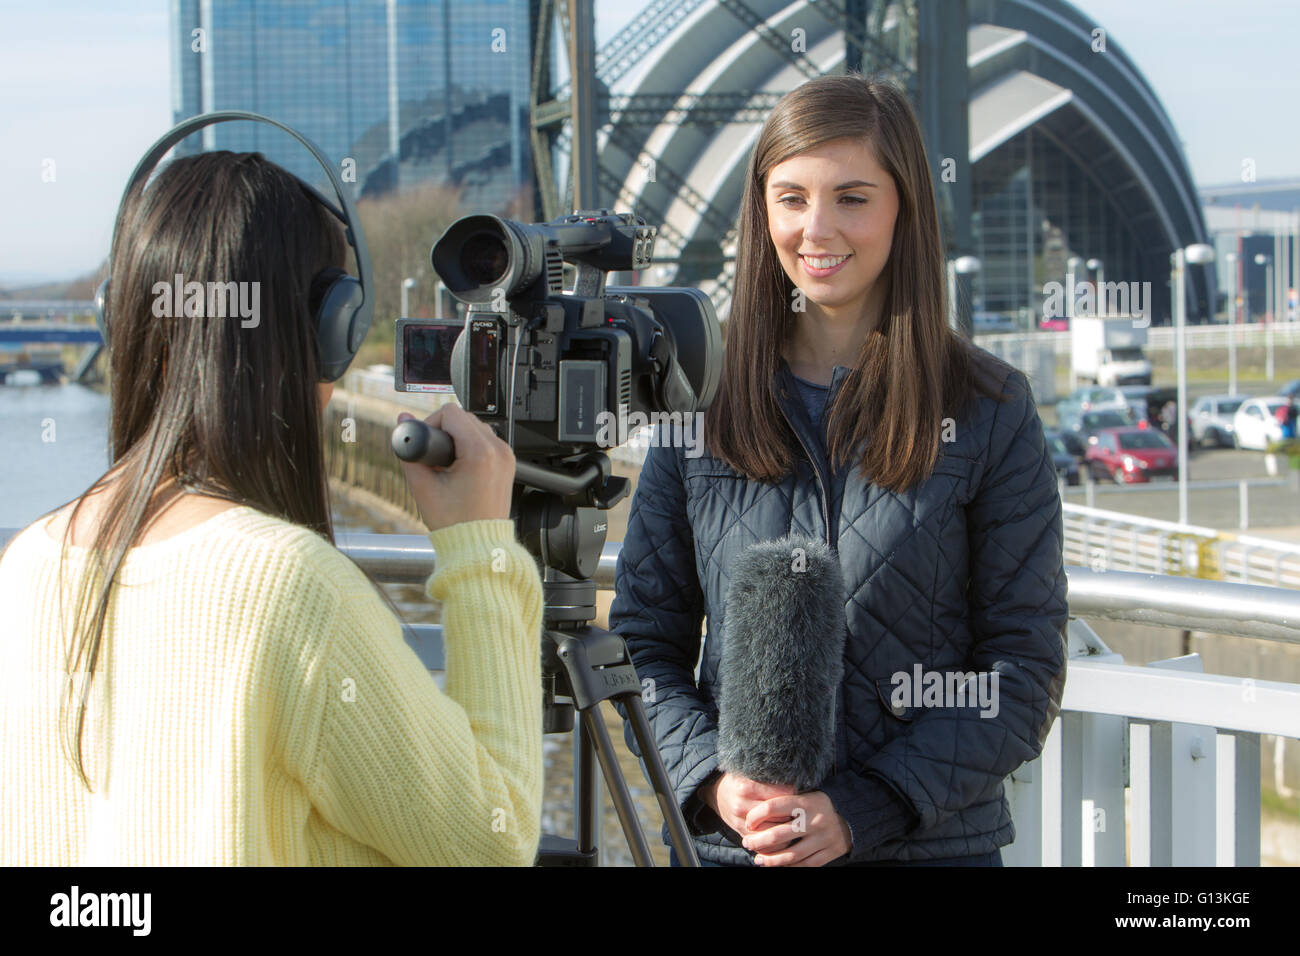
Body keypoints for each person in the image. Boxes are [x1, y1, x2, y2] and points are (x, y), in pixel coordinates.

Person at [0, 150, 543, 865]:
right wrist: (479, 550)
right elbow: (492, 842)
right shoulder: (289, 588)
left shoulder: (28, 563)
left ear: (120, 318)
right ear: (326, 332)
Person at [610, 74, 1067, 867]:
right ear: (762, 212)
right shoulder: (702, 406)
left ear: (905, 209)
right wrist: (712, 782)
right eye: (791, 198)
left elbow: (1019, 671)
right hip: (737, 852)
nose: (816, 229)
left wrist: (865, 807)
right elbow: (645, 645)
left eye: (852, 197)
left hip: (928, 852)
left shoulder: (989, 409)